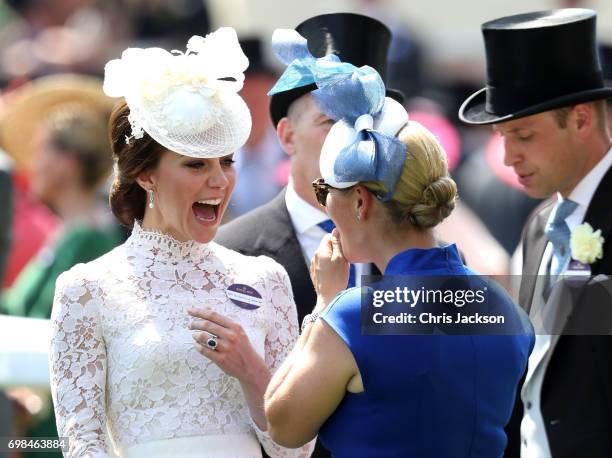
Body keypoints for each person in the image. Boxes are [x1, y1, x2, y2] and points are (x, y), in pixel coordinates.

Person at [263, 35, 534, 457]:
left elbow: (282, 424)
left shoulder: (352, 315)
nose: (324, 204)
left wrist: (323, 304)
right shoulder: (504, 306)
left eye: (325, 191)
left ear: (359, 201)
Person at [49, 28, 313, 458]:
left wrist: (250, 370)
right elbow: (82, 442)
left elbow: (296, 449)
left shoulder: (265, 278)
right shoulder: (87, 289)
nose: (219, 180)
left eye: (226, 161)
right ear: (146, 175)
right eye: (196, 164)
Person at [459, 9, 612, 458]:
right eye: (502, 135)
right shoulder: (539, 227)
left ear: (581, 119)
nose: (508, 157)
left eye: (523, 135)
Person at [216, 11, 403, 328]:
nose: (353, 136)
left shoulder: (418, 247)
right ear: (288, 136)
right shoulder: (232, 253)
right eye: (330, 122)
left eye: (369, 121)